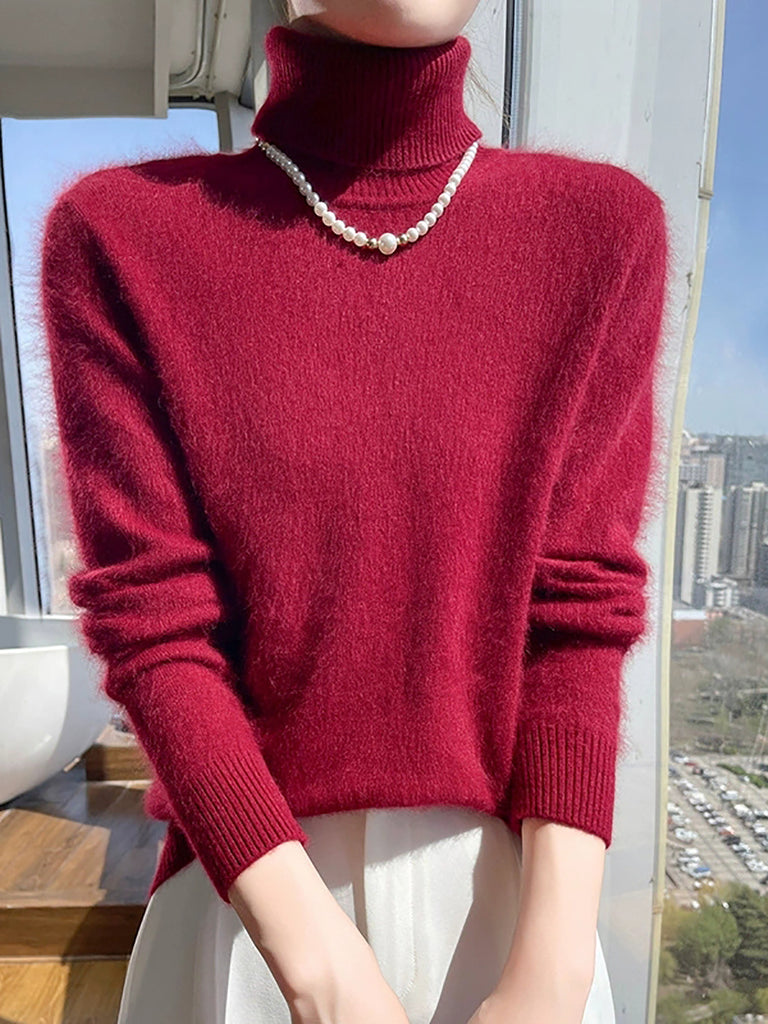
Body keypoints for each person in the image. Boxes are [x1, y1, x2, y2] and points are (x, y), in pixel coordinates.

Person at [39, 0, 669, 1022]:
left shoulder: (601, 232)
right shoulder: (121, 235)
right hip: (253, 925)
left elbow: (577, 614)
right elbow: (153, 624)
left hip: (522, 926)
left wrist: (549, 982)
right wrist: (322, 975)